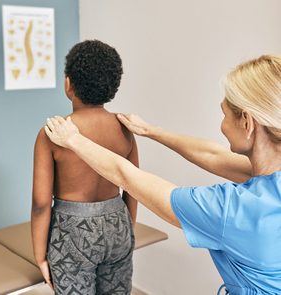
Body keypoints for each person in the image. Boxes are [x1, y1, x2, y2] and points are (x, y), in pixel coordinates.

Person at [44, 54, 281, 295]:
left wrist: (73, 139)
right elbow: (213, 155)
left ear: (248, 124)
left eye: (225, 115)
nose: (222, 125)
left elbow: (126, 177)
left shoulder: (232, 209)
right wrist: (151, 131)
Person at [31, 40, 138, 295]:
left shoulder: (51, 134)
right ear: (113, 86)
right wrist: (127, 231)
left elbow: (40, 203)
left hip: (72, 233)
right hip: (117, 222)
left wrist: (40, 256)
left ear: (68, 84)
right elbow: (133, 188)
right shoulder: (125, 129)